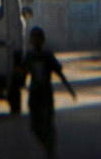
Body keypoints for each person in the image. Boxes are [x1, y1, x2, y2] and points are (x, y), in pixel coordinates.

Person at [24, 26, 75, 159]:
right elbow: (22, 74)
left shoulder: (48, 56)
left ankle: (50, 150)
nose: (35, 41)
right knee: (35, 127)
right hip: (34, 96)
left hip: (46, 95)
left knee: (47, 124)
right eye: (33, 38)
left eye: (38, 38)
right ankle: (47, 146)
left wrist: (69, 89)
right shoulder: (29, 57)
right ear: (30, 41)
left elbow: (59, 73)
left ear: (43, 40)